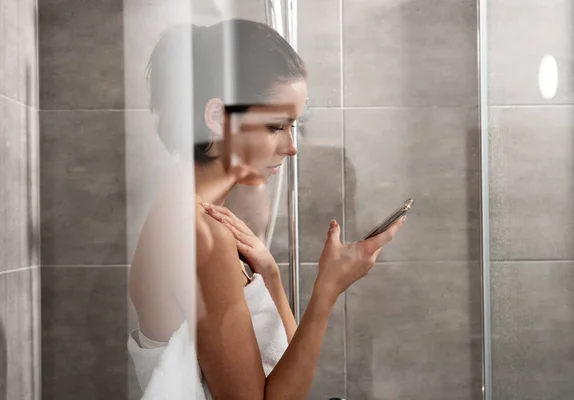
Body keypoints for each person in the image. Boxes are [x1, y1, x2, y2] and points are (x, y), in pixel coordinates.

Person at [128, 19, 406, 399]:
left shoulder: (194, 215)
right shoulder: (200, 233)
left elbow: (289, 375)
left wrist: (271, 277)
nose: (291, 147)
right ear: (218, 118)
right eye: (277, 126)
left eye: (293, 127)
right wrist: (327, 289)